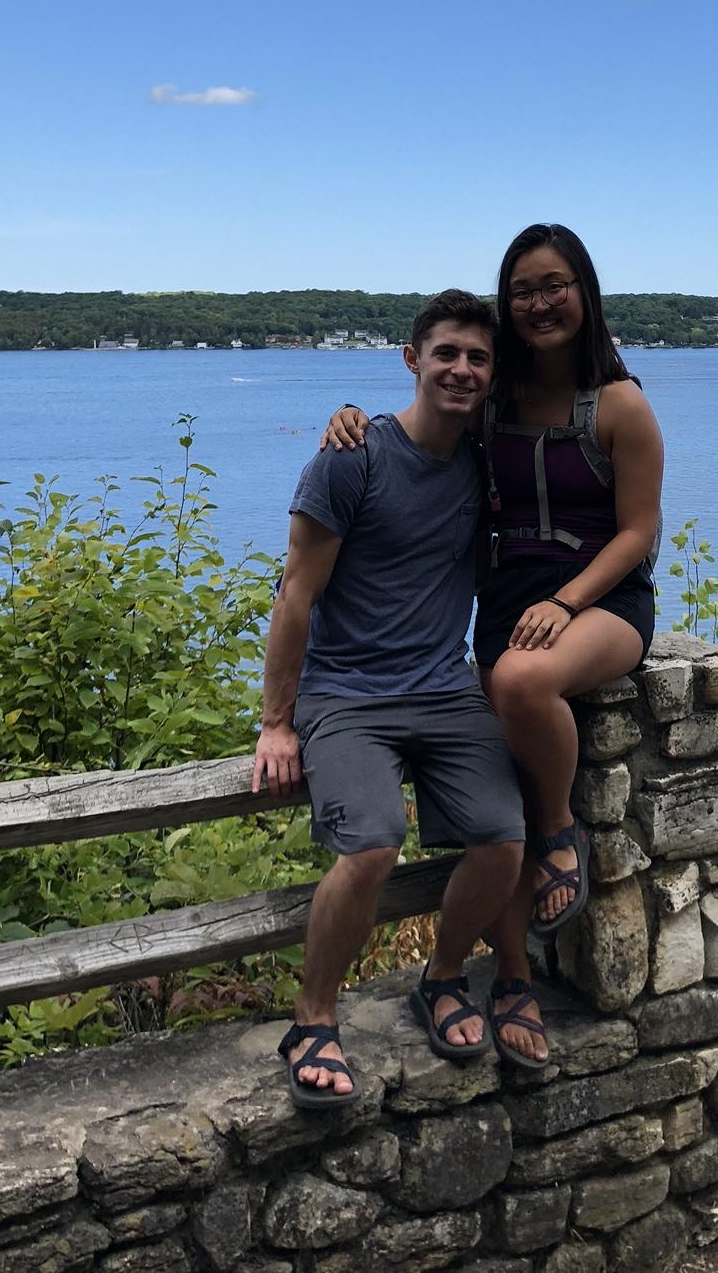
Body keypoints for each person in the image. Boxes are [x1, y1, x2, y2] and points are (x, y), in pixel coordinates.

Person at [322, 224, 664, 1070]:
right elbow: (429, 418)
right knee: (495, 801)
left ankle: (560, 832)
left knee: (518, 687)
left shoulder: (619, 404)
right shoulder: (497, 399)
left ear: (584, 292)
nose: (539, 303)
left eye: (554, 286)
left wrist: (566, 596)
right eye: (523, 290)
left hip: (603, 601)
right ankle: (505, 977)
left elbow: (640, 531)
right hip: (509, 605)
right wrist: (352, 418)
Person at [256, 289, 526, 1107]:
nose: (462, 369)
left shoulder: (483, 459)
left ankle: (442, 980)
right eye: (446, 352)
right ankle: (313, 1020)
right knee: (374, 845)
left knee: (504, 838)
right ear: (412, 360)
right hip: (345, 693)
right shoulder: (351, 458)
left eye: (478, 358)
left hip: (442, 687)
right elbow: (296, 594)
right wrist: (275, 722)